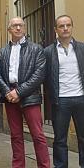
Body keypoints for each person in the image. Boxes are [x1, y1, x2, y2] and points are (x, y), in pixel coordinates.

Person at [0, 17, 50, 168]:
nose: (18, 28)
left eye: (20, 25)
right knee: (16, 136)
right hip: (9, 97)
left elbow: (39, 74)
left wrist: (19, 92)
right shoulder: (2, 52)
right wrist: (8, 92)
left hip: (30, 96)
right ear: (9, 30)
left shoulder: (36, 49)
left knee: (38, 136)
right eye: (14, 26)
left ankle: (44, 166)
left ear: (24, 28)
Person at [44, 15, 84, 168]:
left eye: (68, 25)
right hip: (60, 101)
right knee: (60, 139)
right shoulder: (48, 52)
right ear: (56, 30)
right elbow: (44, 76)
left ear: (72, 27)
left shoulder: (82, 48)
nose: (65, 28)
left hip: (81, 98)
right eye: (61, 26)